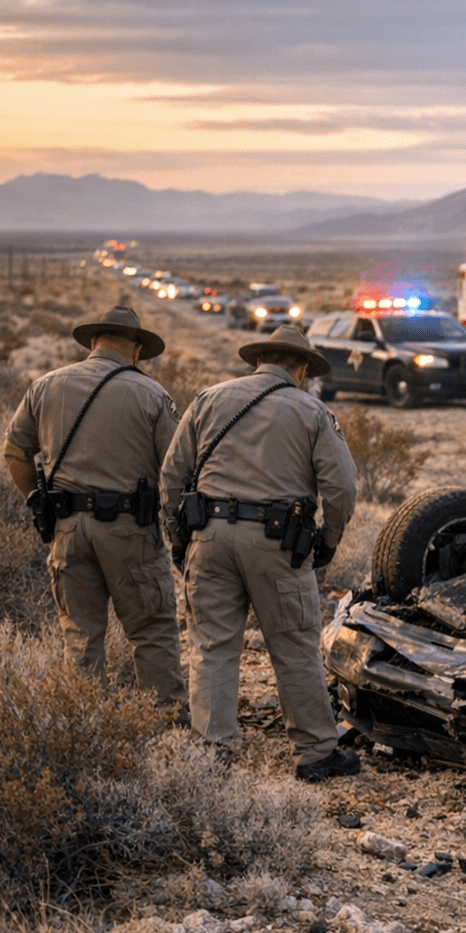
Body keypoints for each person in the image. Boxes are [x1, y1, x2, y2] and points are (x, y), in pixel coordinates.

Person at [160, 325, 360, 781]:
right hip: (278, 545)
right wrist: (328, 541)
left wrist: (178, 537)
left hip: (208, 538)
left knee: (211, 646)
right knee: (293, 645)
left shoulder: (208, 399)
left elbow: (172, 475)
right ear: (303, 367)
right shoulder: (311, 409)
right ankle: (315, 754)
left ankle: (214, 754)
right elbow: (342, 487)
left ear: (260, 358)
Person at [3, 305, 187, 714]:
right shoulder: (152, 394)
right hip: (129, 531)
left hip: (66, 529)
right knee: (151, 629)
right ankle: (164, 721)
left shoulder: (46, 385)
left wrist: (35, 500)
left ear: (92, 342)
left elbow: (15, 450)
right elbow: (176, 468)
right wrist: (177, 528)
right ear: (136, 348)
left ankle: (83, 724)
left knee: (81, 635)